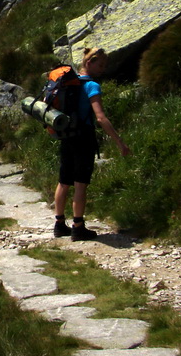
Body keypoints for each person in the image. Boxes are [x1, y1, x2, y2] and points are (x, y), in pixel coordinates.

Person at [53, 47, 131, 241]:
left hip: (66, 135)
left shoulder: (69, 83)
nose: (103, 69)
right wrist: (120, 142)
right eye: (101, 64)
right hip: (83, 138)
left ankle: (59, 224)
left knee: (63, 181)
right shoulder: (92, 86)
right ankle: (78, 227)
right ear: (89, 63)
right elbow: (101, 118)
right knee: (80, 183)